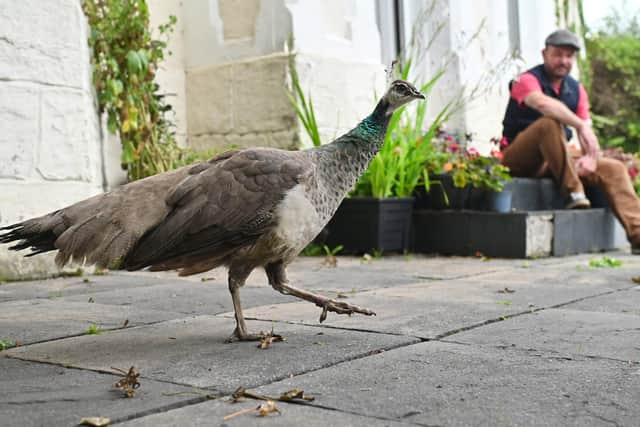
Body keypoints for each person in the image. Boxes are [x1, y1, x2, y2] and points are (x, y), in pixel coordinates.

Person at [500, 28, 640, 253]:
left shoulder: (576, 89)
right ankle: (574, 192)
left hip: (556, 158)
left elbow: (587, 130)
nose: (563, 60)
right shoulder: (525, 80)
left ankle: (638, 235)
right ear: (544, 53)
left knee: (613, 168)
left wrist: (591, 157)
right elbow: (542, 104)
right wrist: (579, 124)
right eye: (558, 54)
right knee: (549, 123)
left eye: (569, 56)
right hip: (519, 158)